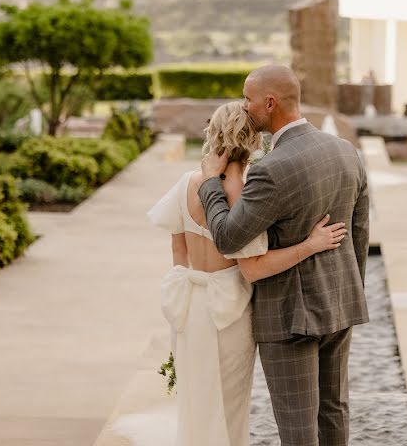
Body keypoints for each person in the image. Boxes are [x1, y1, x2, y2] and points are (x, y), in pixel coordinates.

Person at [147, 101, 347, 446]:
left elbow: (178, 251)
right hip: (230, 313)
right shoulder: (247, 191)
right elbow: (253, 268)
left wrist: (182, 301)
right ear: (253, 138)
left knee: (195, 404)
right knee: (230, 408)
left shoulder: (186, 183)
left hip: (188, 307)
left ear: (214, 134)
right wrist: (310, 245)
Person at [199, 65, 370, 446]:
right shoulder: (346, 151)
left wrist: (212, 182)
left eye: (248, 99)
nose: (244, 107)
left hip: (288, 317)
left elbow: (227, 237)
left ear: (270, 103)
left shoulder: (271, 171)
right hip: (341, 303)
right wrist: (351, 292)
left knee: (297, 429)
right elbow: (360, 233)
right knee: (334, 411)